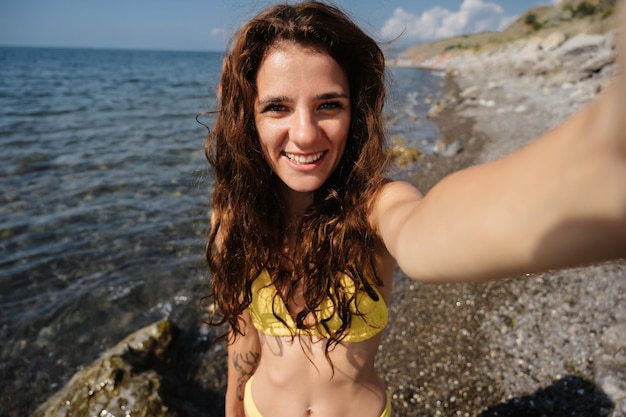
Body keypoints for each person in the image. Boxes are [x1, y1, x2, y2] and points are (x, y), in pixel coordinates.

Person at [204, 1, 626, 416]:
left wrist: (603, 152)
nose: (305, 133)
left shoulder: (375, 206)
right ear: (248, 117)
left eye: (329, 105)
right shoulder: (234, 214)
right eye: (277, 107)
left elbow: (423, 232)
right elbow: (242, 329)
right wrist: (234, 402)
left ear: (355, 113)